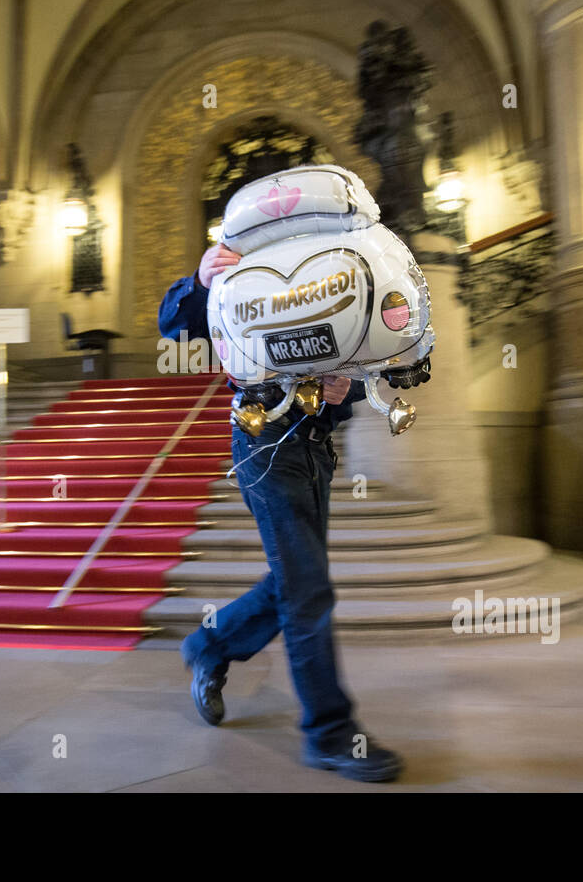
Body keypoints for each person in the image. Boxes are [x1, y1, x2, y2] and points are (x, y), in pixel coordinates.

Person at [158, 242, 404, 783]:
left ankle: (210, 643)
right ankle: (330, 733)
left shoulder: (328, 273)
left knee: (297, 579)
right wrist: (198, 281)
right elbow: (175, 328)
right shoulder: (239, 270)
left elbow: (356, 355)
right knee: (307, 585)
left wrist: (346, 389)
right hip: (264, 438)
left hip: (317, 444)